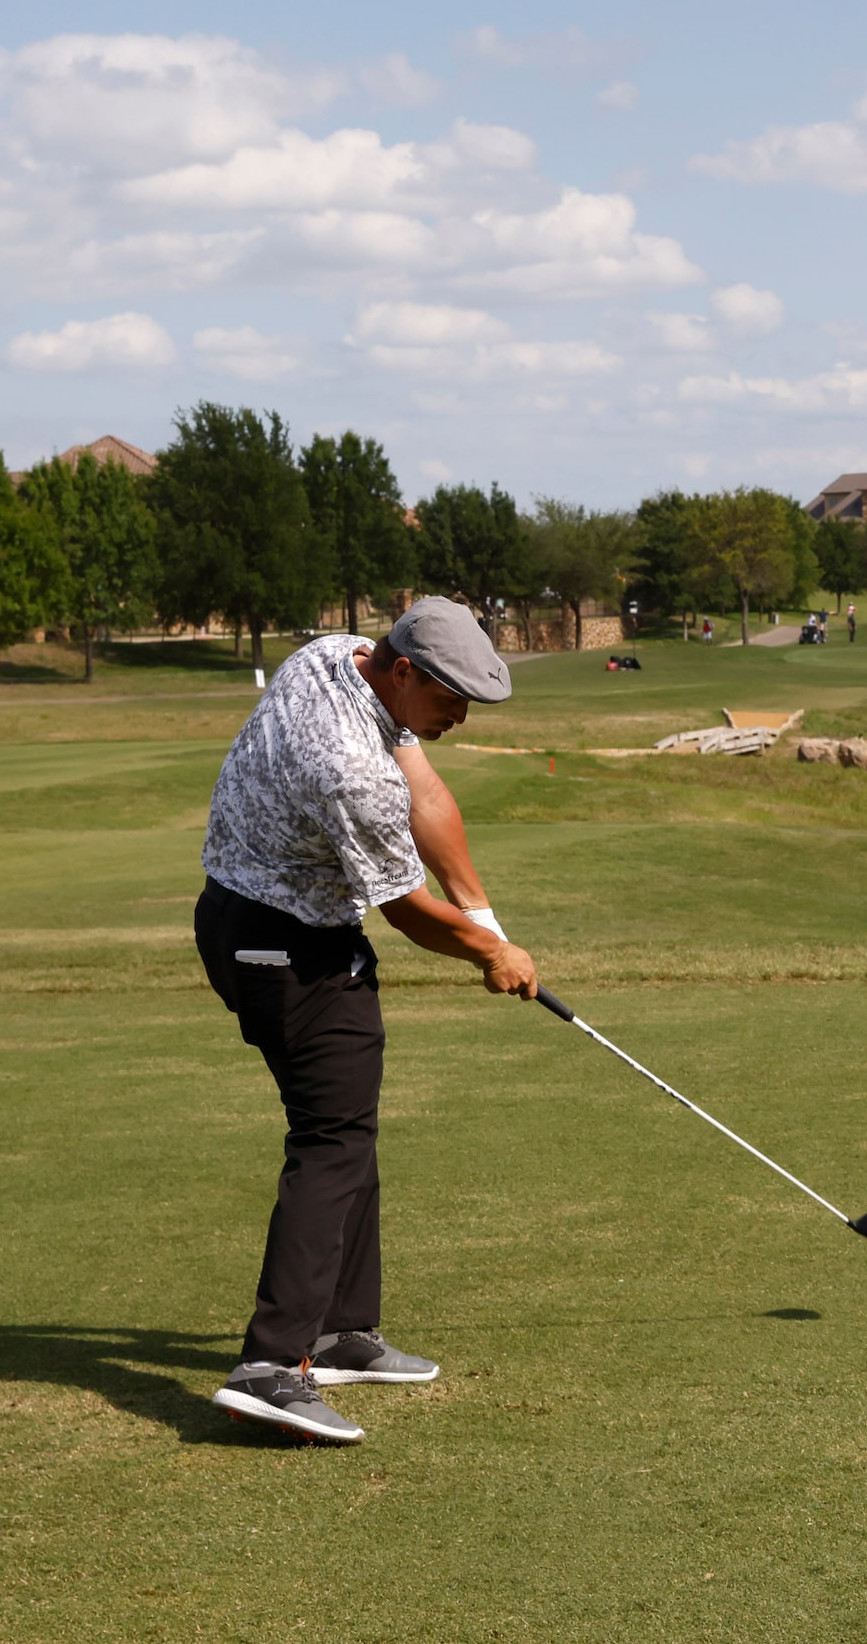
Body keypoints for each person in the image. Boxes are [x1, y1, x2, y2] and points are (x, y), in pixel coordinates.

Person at [194, 596, 538, 1446]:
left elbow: (426, 791)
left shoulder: (335, 654)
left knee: (347, 1125)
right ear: (406, 671)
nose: (459, 716)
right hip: (284, 944)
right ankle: (272, 1366)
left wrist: (483, 914)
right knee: (330, 1140)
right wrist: (488, 956)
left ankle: (340, 1332)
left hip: (262, 924)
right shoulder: (348, 766)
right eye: (451, 697)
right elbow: (405, 911)